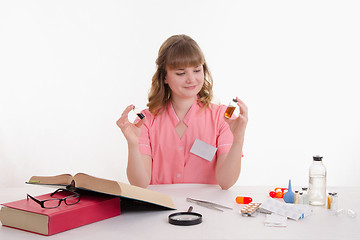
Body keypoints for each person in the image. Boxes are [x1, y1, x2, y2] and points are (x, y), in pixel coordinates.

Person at [116, 34, 248, 190]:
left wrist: (238, 139)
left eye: (197, 70)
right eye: (181, 73)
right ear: (164, 76)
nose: (191, 79)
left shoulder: (222, 117)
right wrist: (132, 144)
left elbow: (226, 182)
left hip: (206, 210)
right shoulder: (146, 121)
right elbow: (139, 184)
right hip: (161, 208)